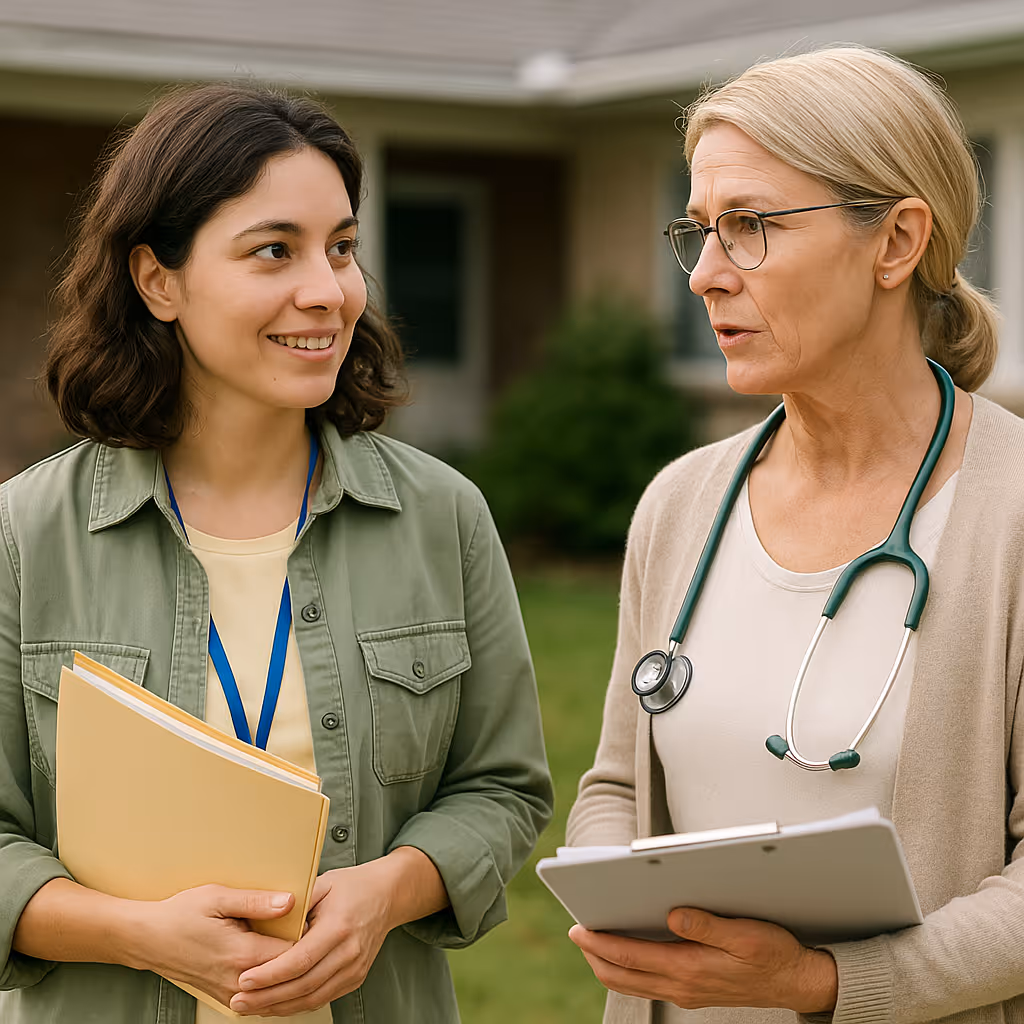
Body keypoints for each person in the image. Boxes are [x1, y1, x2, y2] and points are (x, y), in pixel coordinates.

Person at [0, 84, 553, 1024]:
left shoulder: (441, 516)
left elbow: (501, 790)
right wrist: (135, 931)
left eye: (341, 247)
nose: (327, 291)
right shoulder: (23, 536)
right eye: (273, 250)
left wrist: (390, 892)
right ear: (157, 280)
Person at [566, 45, 1024, 1024]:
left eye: (750, 228)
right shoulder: (682, 504)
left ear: (897, 242)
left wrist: (818, 984)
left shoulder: (1012, 515)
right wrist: (612, 894)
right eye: (697, 232)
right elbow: (615, 781)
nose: (703, 277)